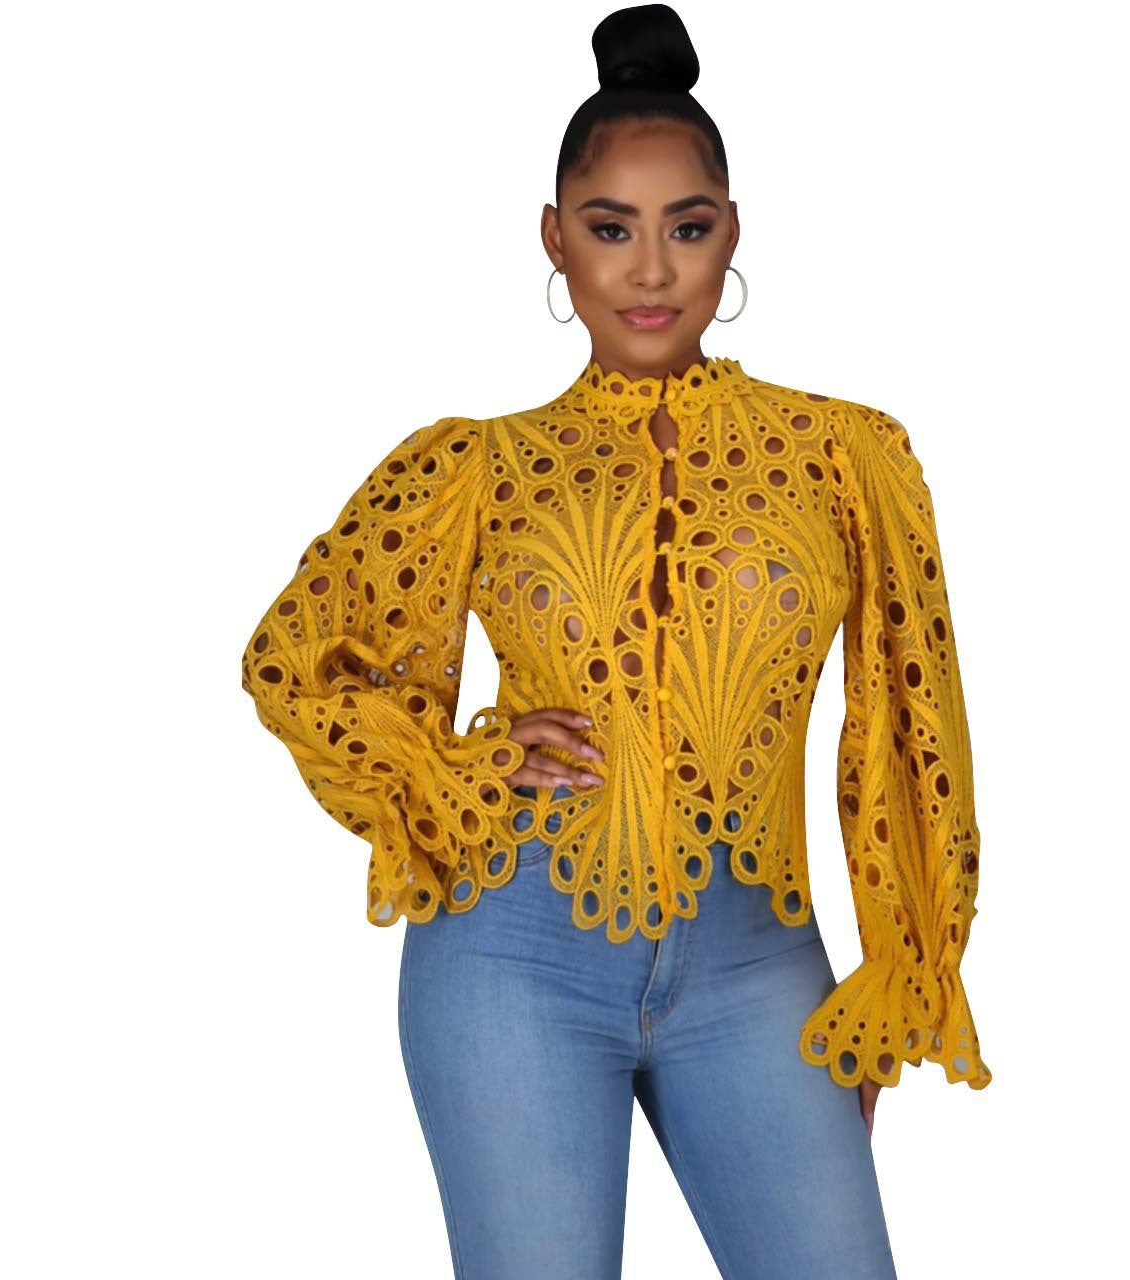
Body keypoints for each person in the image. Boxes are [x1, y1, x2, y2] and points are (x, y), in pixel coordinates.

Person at [239, 5, 990, 1276]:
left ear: (731, 232)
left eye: (684, 228)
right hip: (511, 954)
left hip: (758, 961)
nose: (649, 271)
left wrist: (901, 964)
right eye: (609, 229)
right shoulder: (477, 467)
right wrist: (467, 763)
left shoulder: (843, 458)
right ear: (554, 239)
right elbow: (294, 658)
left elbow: (909, 725)